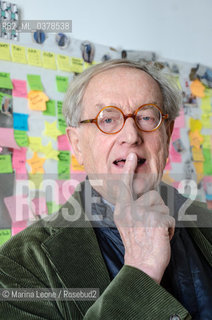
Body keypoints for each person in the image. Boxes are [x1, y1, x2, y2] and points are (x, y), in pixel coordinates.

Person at [0, 59, 211, 320]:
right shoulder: (17, 266)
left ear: (167, 134)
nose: (132, 135)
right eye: (108, 119)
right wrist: (141, 270)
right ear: (76, 144)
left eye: (146, 117)